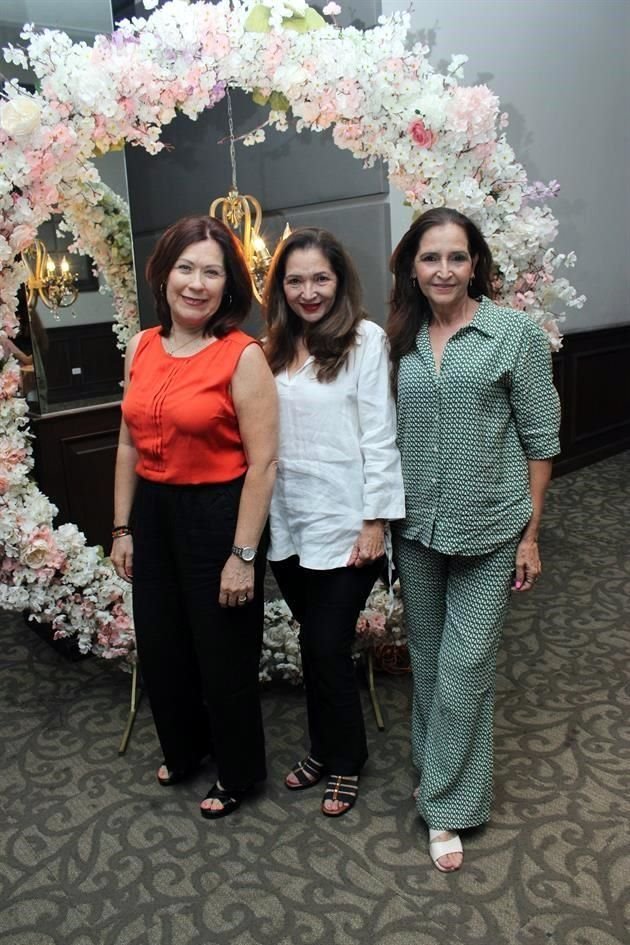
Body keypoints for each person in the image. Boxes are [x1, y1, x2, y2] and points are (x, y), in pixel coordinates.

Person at [387, 207, 560, 871]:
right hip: (418, 528)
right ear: (412, 265)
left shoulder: (512, 332)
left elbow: (542, 439)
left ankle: (449, 808)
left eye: (456, 257)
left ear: (477, 264)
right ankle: (436, 771)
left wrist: (531, 534)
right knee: (428, 663)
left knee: (464, 670)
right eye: (430, 257)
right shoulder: (399, 337)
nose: (443, 270)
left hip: (492, 528)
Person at [111, 215, 278, 819]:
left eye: (212, 271)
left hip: (217, 515)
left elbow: (262, 467)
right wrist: (122, 527)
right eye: (186, 267)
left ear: (228, 284)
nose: (196, 283)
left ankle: (238, 773)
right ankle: (184, 751)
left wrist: (242, 555)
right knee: (162, 648)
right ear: (165, 273)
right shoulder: (143, 345)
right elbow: (128, 443)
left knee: (222, 654)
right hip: (153, 512)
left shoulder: (242, 355)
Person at [262, 227, 405, 817]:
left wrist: (376, 521)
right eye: (294, 280)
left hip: (348, 522)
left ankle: (346, 759)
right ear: (279, 287)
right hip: (288, 520)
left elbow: (380, 433)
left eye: (320, 278)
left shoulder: (364, 340)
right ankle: (323, 749)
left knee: (325, 645)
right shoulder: (270, 346)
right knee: (312, 644)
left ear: (340, 280)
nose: (308, 291)